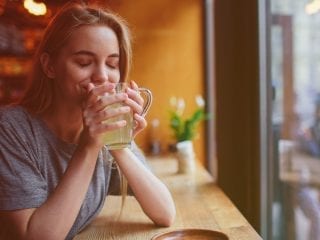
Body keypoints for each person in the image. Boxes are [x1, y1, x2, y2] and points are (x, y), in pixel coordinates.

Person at [0, 2, 176, 239]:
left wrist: (119, 144)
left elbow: (165, 212)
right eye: (84, 62)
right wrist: (89, 145)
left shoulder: (104, 127)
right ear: (49, 65)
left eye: (112, 64)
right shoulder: (11, 129)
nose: (103, 75)